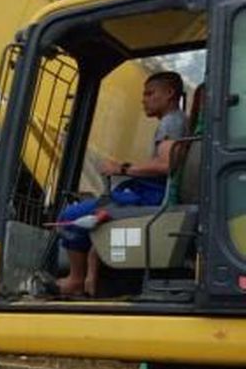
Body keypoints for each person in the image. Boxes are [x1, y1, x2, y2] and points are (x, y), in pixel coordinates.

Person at [56, 71, 188, 296]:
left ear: (169, 93)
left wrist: (122, 169)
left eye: (149, 93)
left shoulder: (171, 122)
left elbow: (166, 166)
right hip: (150, 190)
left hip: (153, 196)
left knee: (70, 217)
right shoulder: (176, 121)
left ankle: (76, 279)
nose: (143, 99)